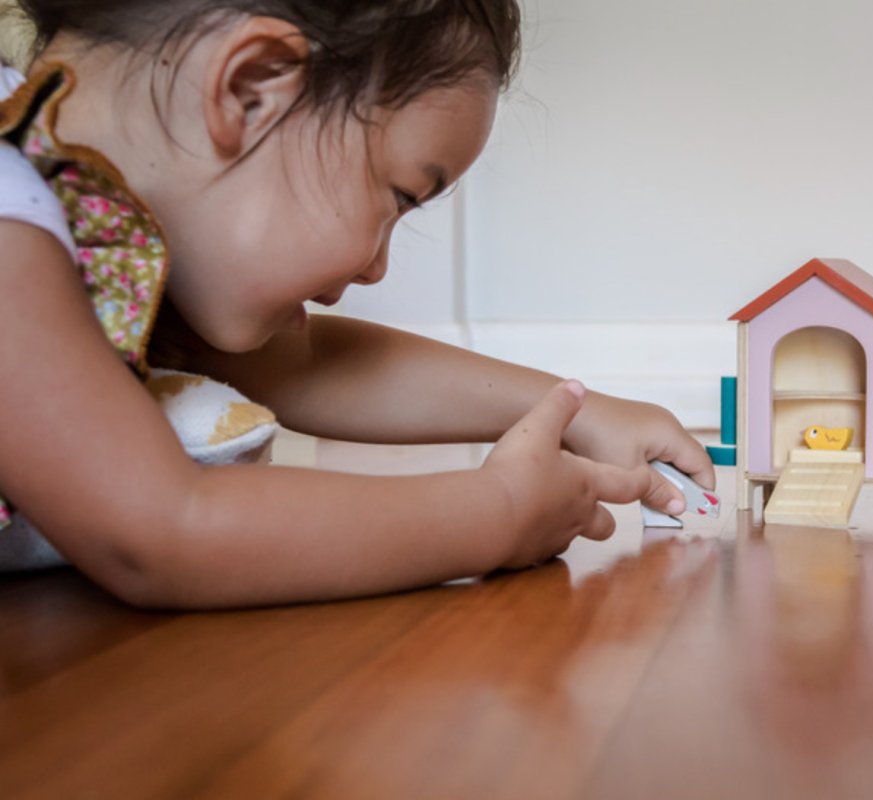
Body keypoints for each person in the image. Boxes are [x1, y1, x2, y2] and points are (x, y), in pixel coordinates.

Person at [0, 0, 715, 608]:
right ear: (252, 88)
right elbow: (161, 529)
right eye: (400, 197)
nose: (376, 266)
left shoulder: (89, 218)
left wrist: (586, 414)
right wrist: (496, 512)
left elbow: (305, 364)